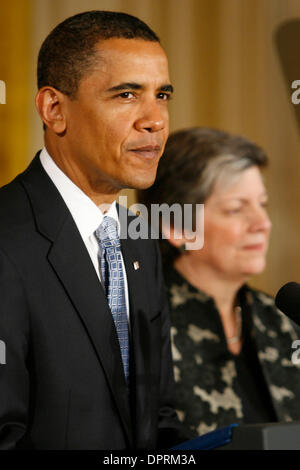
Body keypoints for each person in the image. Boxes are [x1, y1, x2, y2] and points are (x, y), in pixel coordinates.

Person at [0, 11, 188, 450]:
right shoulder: (7, 240)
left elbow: (158, 418)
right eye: (126, 95)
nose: (155, 120)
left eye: (162, 95)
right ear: (54, 109)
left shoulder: (137, 236)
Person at [138, 127, 300, 436]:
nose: (262, 224)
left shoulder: (283, 319)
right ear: (178, 226)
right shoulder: (138, 327)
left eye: (262, 204)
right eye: (236, 209)